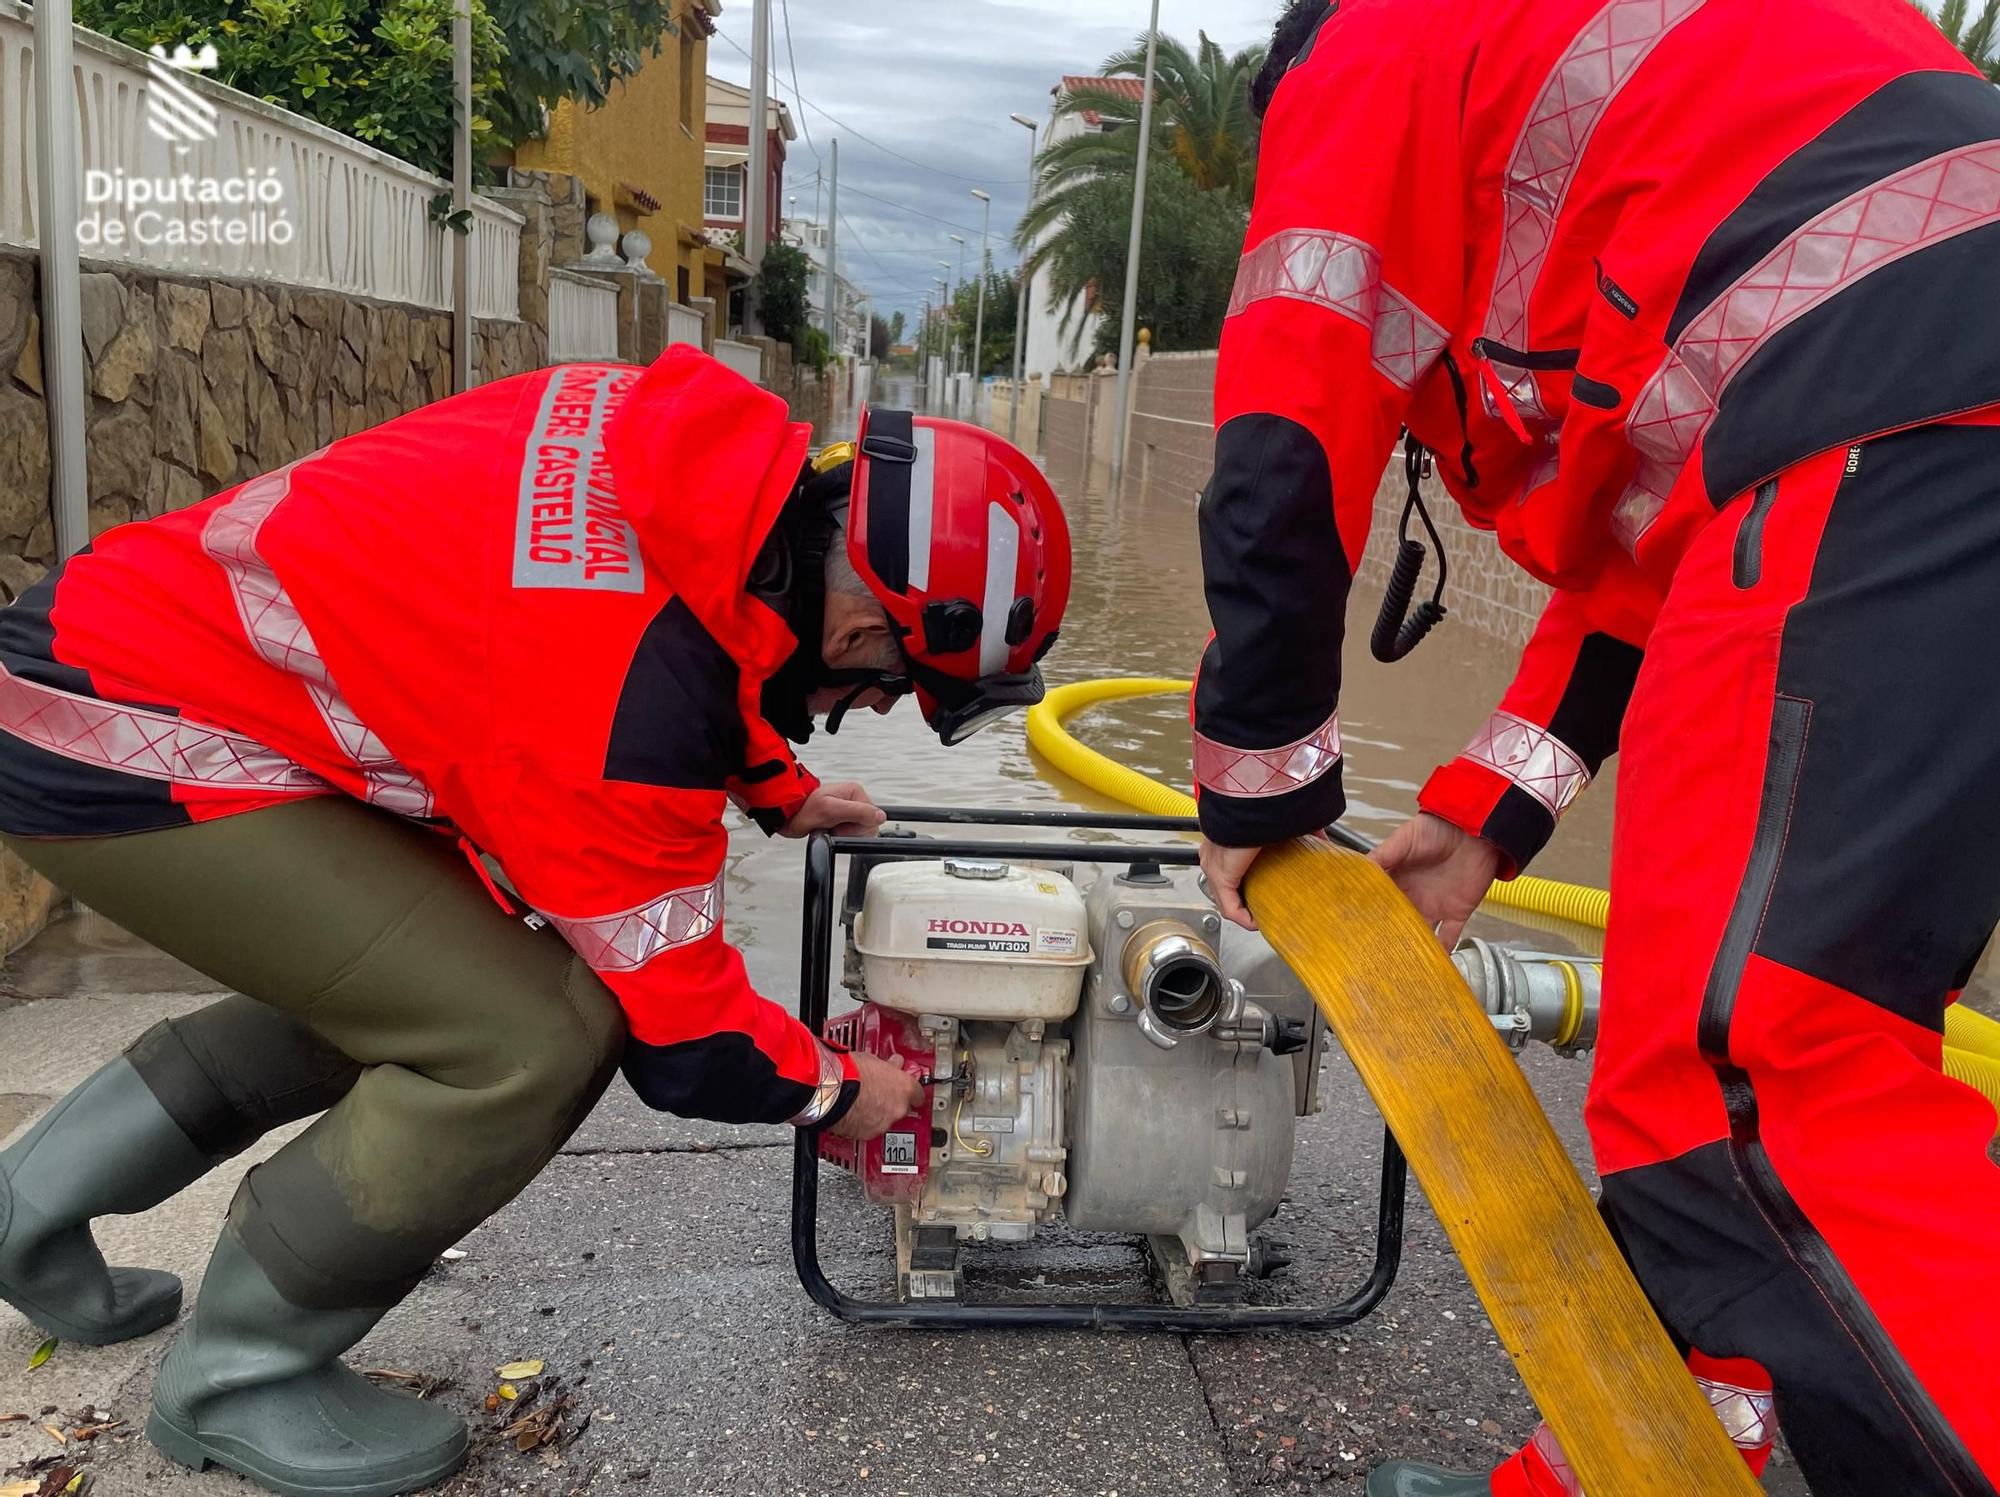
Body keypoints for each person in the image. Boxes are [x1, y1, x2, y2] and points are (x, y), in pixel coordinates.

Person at [0, 345, 1070, 1497]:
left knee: (409, 989)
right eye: (889, 687)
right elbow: (688, 1040)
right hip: (123, 747)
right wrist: (843, 1093)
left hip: (120, 644)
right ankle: (237, 1376)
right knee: (529, 1035)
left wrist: (776, 789)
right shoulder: (625, 706)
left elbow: (693, 630)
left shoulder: (685, 441)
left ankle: (24, 1213)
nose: (869, 707)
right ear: (860, 636)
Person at [1194, 0, 2000, 1493]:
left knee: (1745, 1096)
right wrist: (1487, 811)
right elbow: (1640, 564)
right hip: (1918, 415)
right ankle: (1676, 1445)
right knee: (1812, 1032)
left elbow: (1282, 448)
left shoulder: (1361, 58)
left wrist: (1261, 780)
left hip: (1878, 411)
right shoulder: (1640, 136)